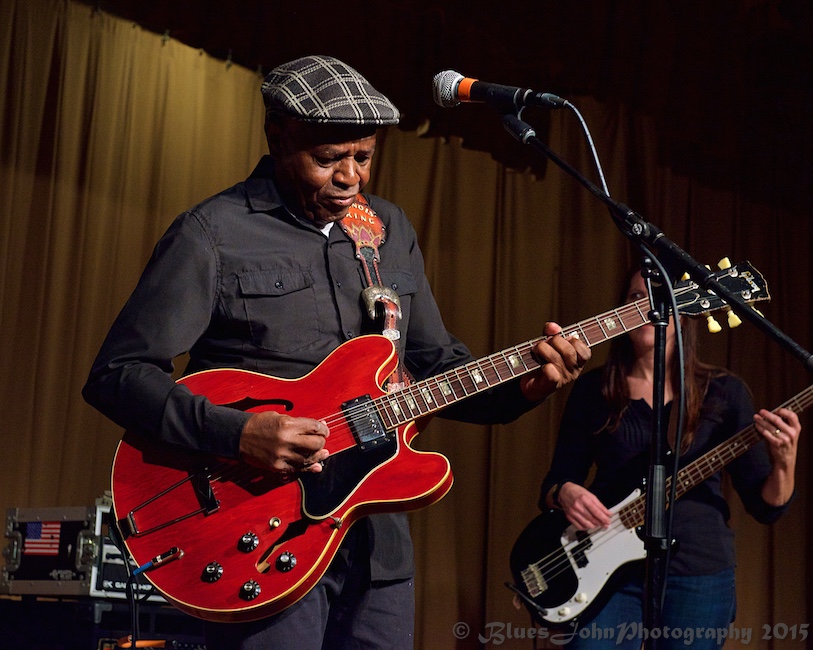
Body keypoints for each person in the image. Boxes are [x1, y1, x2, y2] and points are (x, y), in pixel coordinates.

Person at [82, 55, 591, 649]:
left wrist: (527, 383)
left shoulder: (389, 230)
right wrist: (236, 433)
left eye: (365, 156)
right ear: (278, 138)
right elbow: (117, 374)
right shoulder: (213, 233)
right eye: (328, 159)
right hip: (257, 531)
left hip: (376, 546)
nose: (350, 176)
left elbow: (435, 366)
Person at [537, 266, 800, 649]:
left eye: (659, 297)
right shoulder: (594, 389)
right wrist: (566, 494)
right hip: (607, 571)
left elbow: (766, 506)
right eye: (634, 298)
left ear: (686, 309)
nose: (645, 308)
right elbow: (553, 484)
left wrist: (784, 461)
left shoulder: (725, 394)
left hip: (698, 572)